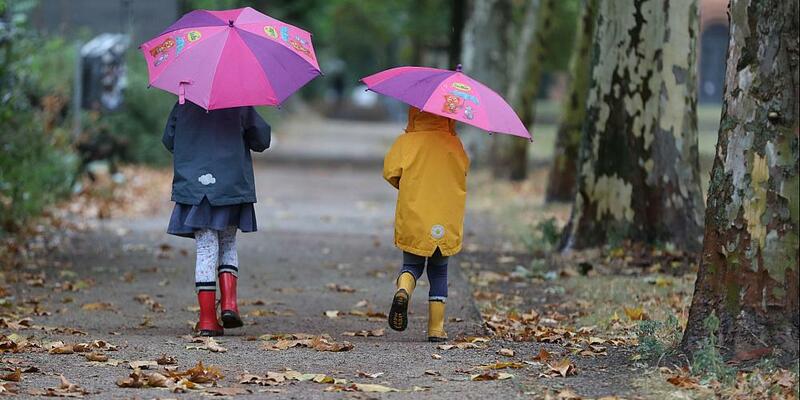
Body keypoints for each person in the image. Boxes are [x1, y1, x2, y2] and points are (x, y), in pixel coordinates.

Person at [162, 101, 270, 336]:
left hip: (196, 187)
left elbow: (169, 139)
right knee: (228, 243)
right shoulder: (239, 102)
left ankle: (208, 319)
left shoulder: (183, 101)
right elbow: (262, 139)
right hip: (230, 186)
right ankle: (230, 303)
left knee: (206, 249)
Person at [383, 107, 469, 342]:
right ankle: (436, 329)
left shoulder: (407, 142)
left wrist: (407, 186)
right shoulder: (454, 144)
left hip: (415, 214)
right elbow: (463, 172)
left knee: (411, 265)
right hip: (445, 217)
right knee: (439, 271)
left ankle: (404, 290)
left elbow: (390, 172)